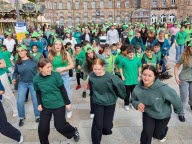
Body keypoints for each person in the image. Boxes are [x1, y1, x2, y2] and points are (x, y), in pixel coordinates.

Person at [131, 65, 184, 144]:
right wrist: (137, 104)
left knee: (157, 135)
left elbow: (176, 99)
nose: (146, 78)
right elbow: (132, 100)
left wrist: (179, 112)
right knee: (147, 132)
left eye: (149, 76)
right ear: (141, 74)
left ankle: (163, 131)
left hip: (162, 115)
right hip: (148, 113)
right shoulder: (137, 88)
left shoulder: (163, 89)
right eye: (144, 75)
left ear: (154, 77)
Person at [33, 58, 80, 144]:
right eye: (47, 67)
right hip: (45, 106)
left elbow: (63, 89)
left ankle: (74, 131)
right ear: (40, 68)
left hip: (59, 104)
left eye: (51, 66)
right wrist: (39, 103)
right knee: (42, 129)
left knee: (60, 126)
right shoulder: (36, 79)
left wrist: (67, 102)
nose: (50, 69)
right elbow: (38, 92)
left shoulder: (55, 75)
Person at [89, 58, 126, 144]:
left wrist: (123, 96)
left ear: (103, 67)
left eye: (99, 69)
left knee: (107, 125)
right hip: (98, 102)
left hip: (110, 102)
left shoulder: (111, 77)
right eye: (95, 69)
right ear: (92, 67)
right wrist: (92, 95)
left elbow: (120, 86)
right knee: (97, 124)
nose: (97, 71)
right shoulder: (91, 75)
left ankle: (106, 129)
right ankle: (96, 141)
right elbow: (91, 87)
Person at [12, 44, 40, 127]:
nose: (21, 52)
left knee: (35, 100)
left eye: (22, 50)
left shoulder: (34, 60)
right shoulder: (18, 62)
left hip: (33, 83)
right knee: (20, 101)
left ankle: (38, 116)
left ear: (26, 51)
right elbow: (15, 73)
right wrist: (13, 78)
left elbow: (40, 69)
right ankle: (21, 117)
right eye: (19, 51)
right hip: (22, 83)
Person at [48, 39, 74, 119]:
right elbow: (48, 66)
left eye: (59, 44)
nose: (58, 46)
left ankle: (69, 110)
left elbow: (72, 65)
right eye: (56, 44)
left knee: (67, 94)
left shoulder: (65, 53)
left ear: (62, 46)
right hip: (54, 77)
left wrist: (63, 68)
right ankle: (60, 111)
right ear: (53, 45)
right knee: (57, 95)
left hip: (64, 76)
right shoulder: (50, 54)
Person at [174, 41, 192, 122]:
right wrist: (176, 77)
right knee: (183, 98)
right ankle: (181, 113)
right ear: (189, 48)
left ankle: (191, 104)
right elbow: (176, 67)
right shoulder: (184, 56)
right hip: (184, 78)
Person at [119, 45, 142, 110]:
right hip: (127, 80)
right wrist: (122, 75)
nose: (131, 56)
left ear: (134, 54)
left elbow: (139, 66)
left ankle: (132, 103)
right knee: (127, 93)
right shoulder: (123, 60)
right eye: (130, 55)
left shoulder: (137, 59)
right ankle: (126, 104)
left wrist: (139, 75)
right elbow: (120, 67)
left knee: (134, 93)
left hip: (135, 79)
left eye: (132, 55)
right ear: (127, 54)